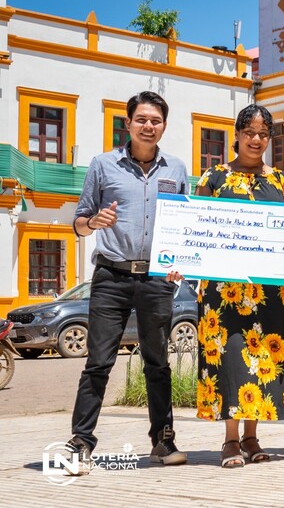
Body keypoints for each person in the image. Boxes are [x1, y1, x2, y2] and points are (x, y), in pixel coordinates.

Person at [68, 91, 189, 473]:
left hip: (156, 279)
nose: (148, 126)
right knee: (98, 362)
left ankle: (163, 441)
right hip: (111, 276)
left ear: (164, 126)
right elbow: (78, 222)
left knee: (158, 363)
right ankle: (80, 443)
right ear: (128, 123)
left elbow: (184, 227)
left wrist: (179, 264)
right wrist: (93, 222)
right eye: (142, 120)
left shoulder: (177, 169)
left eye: (155, 121)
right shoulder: (103, 165)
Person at [194, 104, 284, 468]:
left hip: (271, 290)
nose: (256, 140)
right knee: (230, 359)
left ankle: (252, 437)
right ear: (237, 135)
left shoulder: (282, 183)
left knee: (263, 360)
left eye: (263, 134)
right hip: (224, 291)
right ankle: (230, 440)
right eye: (249, 133)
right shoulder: (214, 178)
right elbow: (196, 227)